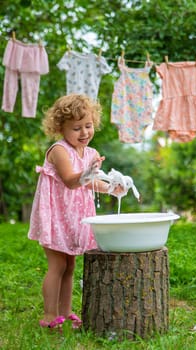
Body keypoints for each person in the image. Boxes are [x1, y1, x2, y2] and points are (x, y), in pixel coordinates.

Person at [28, 93, 125, 329]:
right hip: (56, 217)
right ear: (60, 128)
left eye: (88, 126)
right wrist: (87, 173)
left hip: (74, 218)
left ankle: (66, 312)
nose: (84, 133)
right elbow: (73, 181)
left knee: (70, 266)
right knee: (57, 266)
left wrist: (112, 188)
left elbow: (90, 182)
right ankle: (50, 315)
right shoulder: (59, 150)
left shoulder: (90, 153)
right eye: (76, 128)